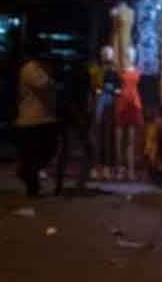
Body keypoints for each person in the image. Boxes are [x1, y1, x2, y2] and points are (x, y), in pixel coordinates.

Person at [16, 55, 59, 198]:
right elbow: (44, 85)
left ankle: (26, 173)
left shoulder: (41, 69)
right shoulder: (30, 69)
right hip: (31, 119)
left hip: (45, 118)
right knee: (33, 155)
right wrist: (51, 78)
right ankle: (32, 186)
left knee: (48, 150)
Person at [55, 60, 94, 195]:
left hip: (73, 119)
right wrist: (81, 118)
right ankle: (78, 185)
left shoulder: (72, 81)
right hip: (75, 119)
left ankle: (62, 185)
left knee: (67, 151)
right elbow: (73, 102)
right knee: (86, 150)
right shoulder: (80, 81)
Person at [89, 46, 119, 179]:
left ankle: (106, 166)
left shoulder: (114, 70)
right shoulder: (95, 68)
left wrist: (114, 90)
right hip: (99, 100)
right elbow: (93, 85)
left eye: (109, 54)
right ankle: (96, 166)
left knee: (107, 134)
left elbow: (118, 87)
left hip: (110, 101)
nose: (107, 56)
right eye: (105, 53)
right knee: (97, 133)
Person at [114, 47, 143, 181]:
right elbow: (115, 86)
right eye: (127, 54)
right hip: (122, 104)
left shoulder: (138, 71)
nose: (130, 56)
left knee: (131, 140)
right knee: (119, 139)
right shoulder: (120, 71)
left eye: (132, 54)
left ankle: (130, 170)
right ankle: (119, 169)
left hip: (134, 104)